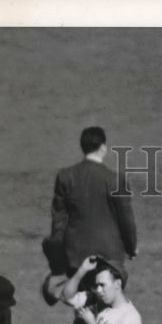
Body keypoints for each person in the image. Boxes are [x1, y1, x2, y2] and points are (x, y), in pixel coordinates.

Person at [42, 126, 138, 301]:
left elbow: (59, 219)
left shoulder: (65, 176)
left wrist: (58, 253)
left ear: (82, 147)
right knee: (107, 303)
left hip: (76, 254)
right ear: (103, 147)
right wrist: (131, 246)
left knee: (82, 305)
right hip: (110, 255)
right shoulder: (115, 179)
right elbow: (126, 218)